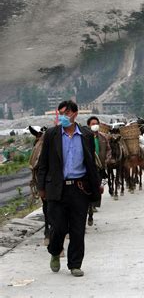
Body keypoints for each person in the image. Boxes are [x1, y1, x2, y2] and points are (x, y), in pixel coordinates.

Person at [37, 100, 102, 277]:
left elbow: (91, 164)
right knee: (58, 227)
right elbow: (43, 163)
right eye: (61, 114)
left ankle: (75, 264)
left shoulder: (86, 135)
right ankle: (55, 250)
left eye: (66, 113)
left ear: (75, 114)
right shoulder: (51, 135)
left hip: (79, 188)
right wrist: (41, 187)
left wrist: (97, 186)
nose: (64, 117)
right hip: (57, 189)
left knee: (77, 229)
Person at [85, 116, 109, 226]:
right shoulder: (84, 138)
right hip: (89, 168)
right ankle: (89, 209)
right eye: (92, 123)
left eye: (96, 123)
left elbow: (109, 150)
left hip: (100, 167)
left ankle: (94, 204)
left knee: (101, 185)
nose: (95, 125)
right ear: (88, 125)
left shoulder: (103, 138)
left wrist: (106, 160)